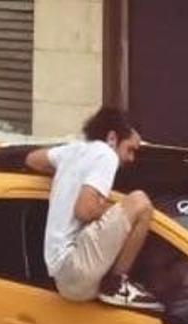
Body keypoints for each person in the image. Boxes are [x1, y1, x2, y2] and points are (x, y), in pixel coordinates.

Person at [24, 106, 161, 310]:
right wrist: (116, 208)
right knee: (140, 202)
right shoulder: (106, 154)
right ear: (113, 137)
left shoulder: (74, 150)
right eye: (130, 149)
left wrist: (69, 175)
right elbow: (85, 210)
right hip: (75, 267)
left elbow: (32, 159)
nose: (131, 158)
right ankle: (116, 285)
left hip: (63, 275)